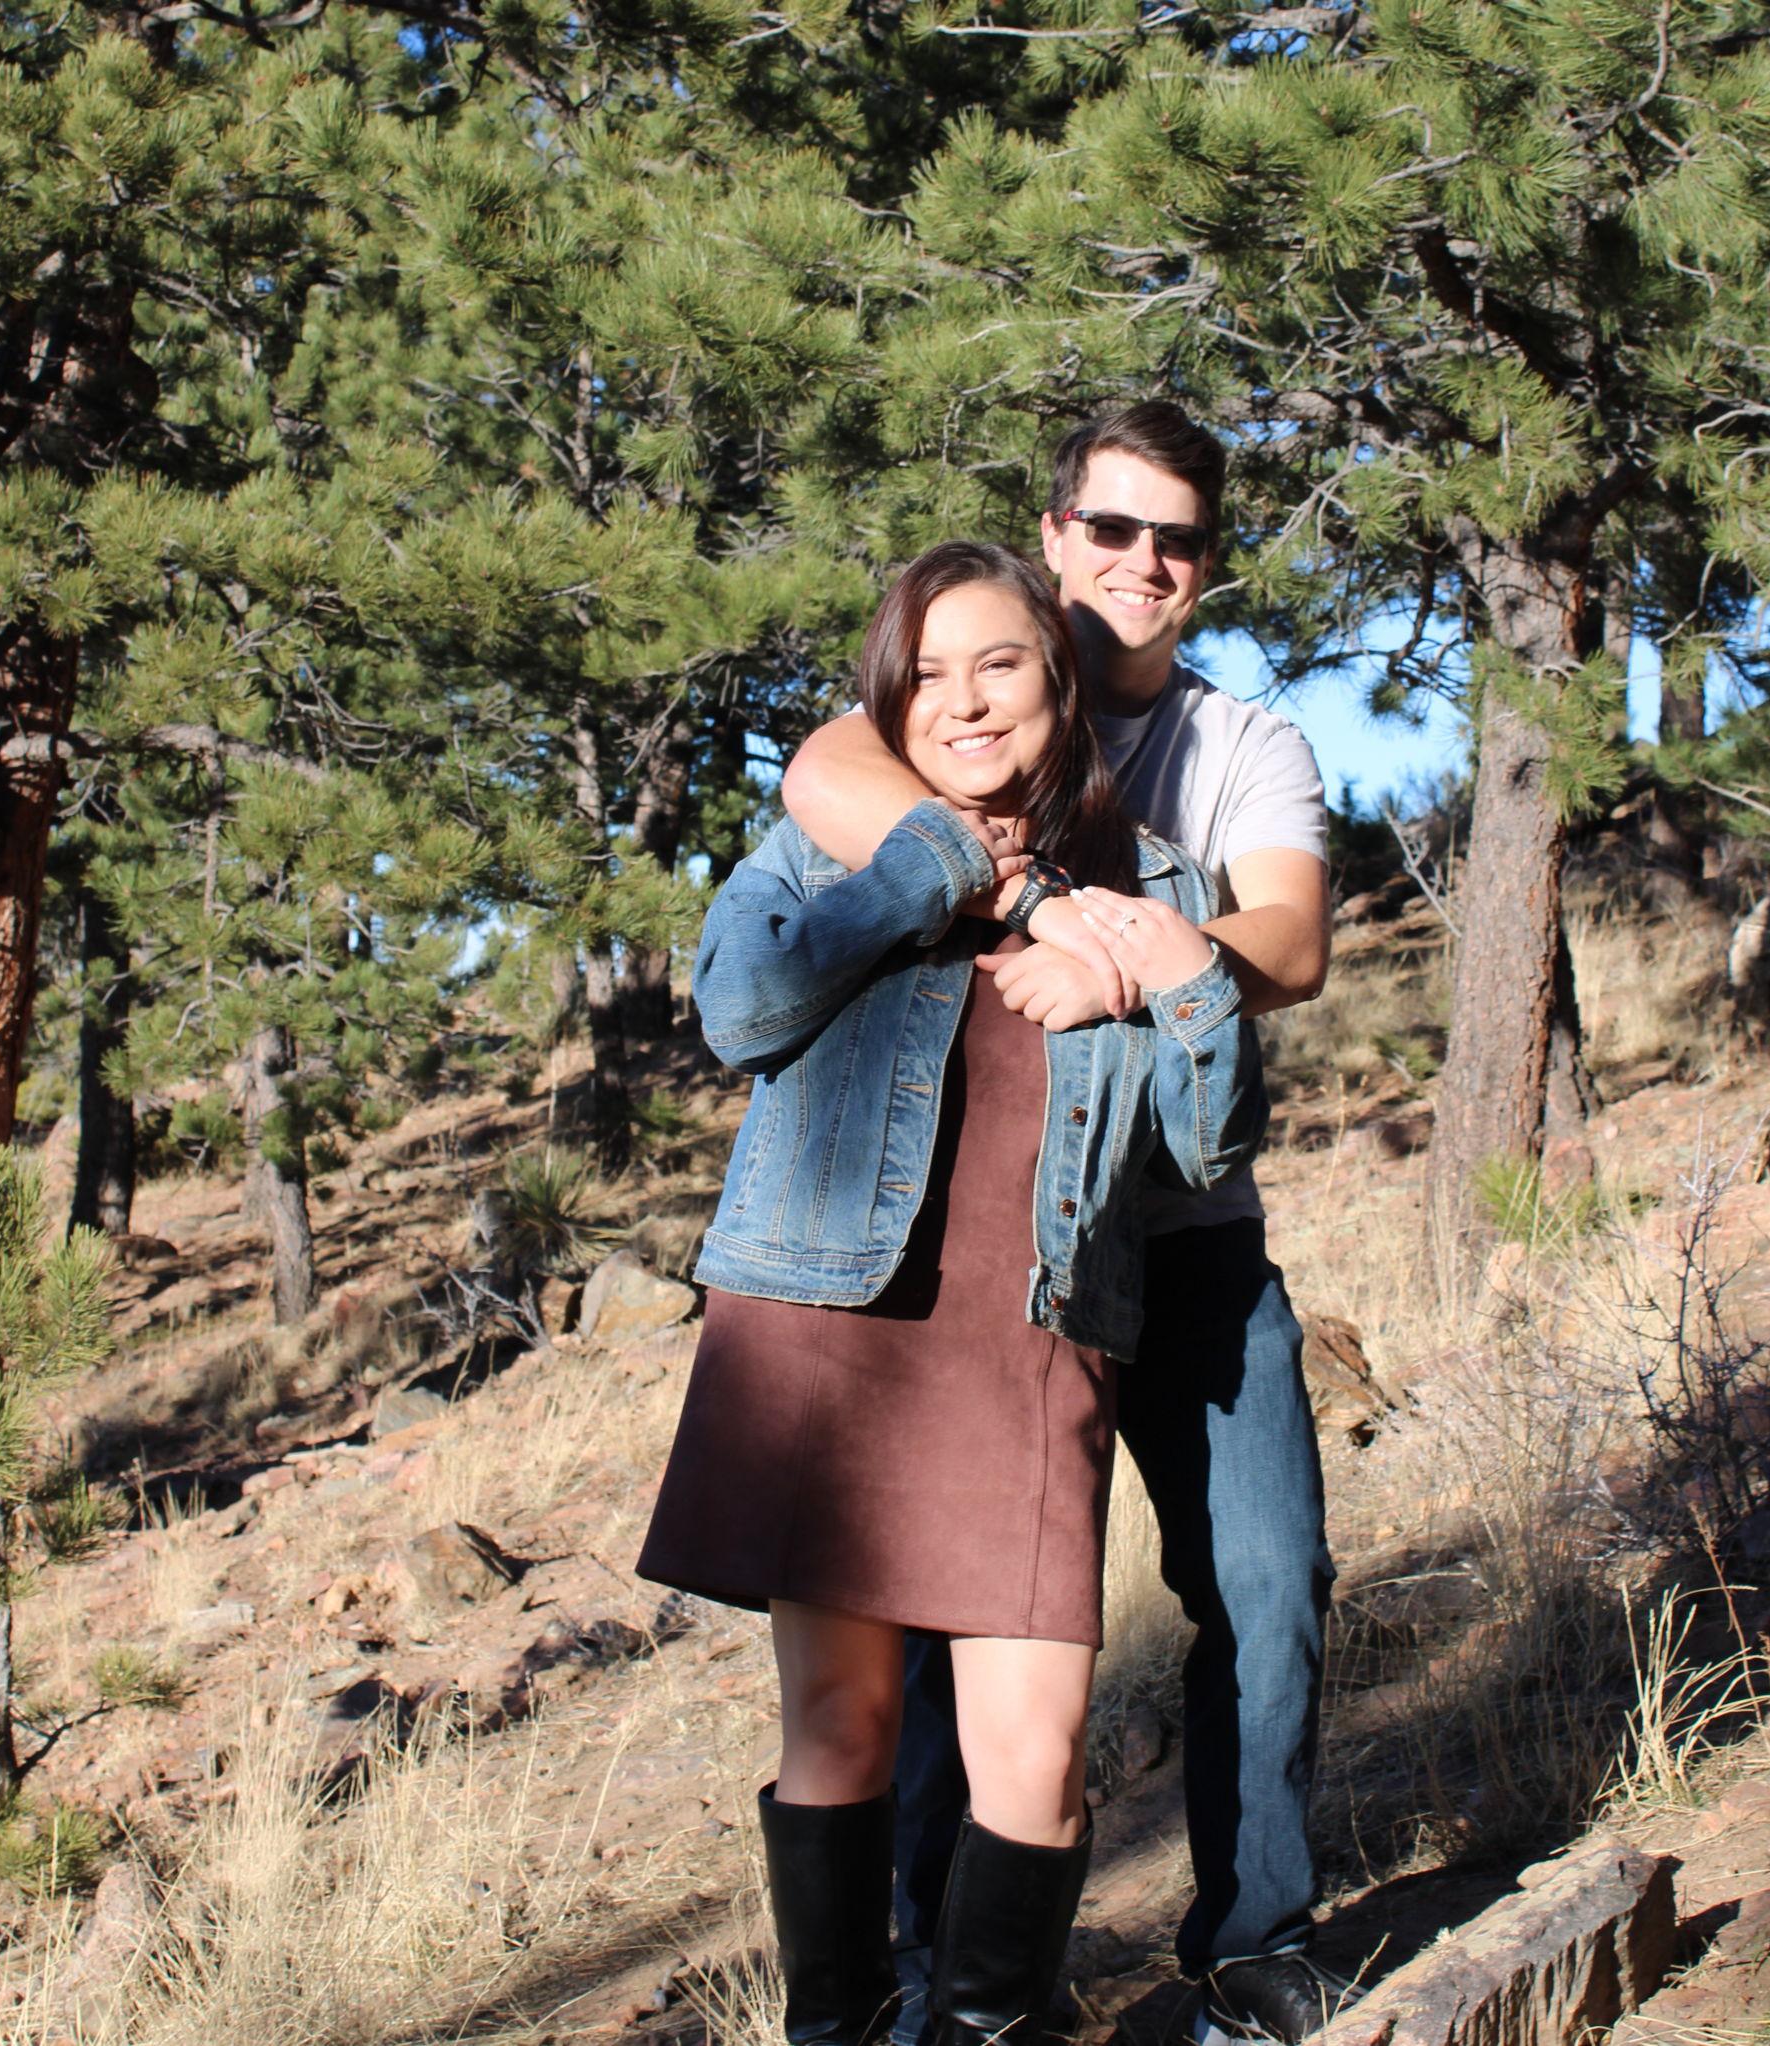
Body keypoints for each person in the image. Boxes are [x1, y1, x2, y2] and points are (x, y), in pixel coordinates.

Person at [637, 540, 1268, 2046]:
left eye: (998, 663)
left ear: (1059, 678)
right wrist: (939, 872)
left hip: (1033, 1337)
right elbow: (740, 1008)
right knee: (839, 1725)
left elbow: (1207, 1137)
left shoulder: (1154, 889)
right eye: (925, 675)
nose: (965, 701)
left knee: (1036, 1747)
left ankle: (989, 2028)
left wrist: (1159, 980)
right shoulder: (825, 840)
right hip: (823, 1327)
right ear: (887, 702)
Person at [781, 405, 1342, 2045]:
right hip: (993, 1252)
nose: (1140, 565)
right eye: (1110, 529)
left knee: (1267, 1570)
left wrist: (1142, 955)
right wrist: (1031, 903)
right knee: (967, 1625)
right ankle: (948, 1983)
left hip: (1187, 1235)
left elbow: (1292, 939)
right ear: (1052, 533)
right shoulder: (973, 693)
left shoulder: (1248, 746)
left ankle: (1252, 1942)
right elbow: (824, 768)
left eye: (1174, 539)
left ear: (1208, 563)